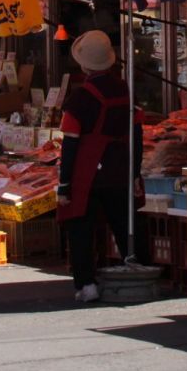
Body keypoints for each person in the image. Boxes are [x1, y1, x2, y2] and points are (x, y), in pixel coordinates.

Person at [57, 30, 143, 304]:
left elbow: (69, 145)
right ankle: (139, 272)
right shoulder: (125, 89)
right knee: (123, 223)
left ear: (84, 64)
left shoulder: (80, 97)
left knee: (80, 228)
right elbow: (137, 134)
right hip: (120, 169)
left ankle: (87, 284)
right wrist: (135, 170)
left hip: (87, 172)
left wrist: (64, 184)